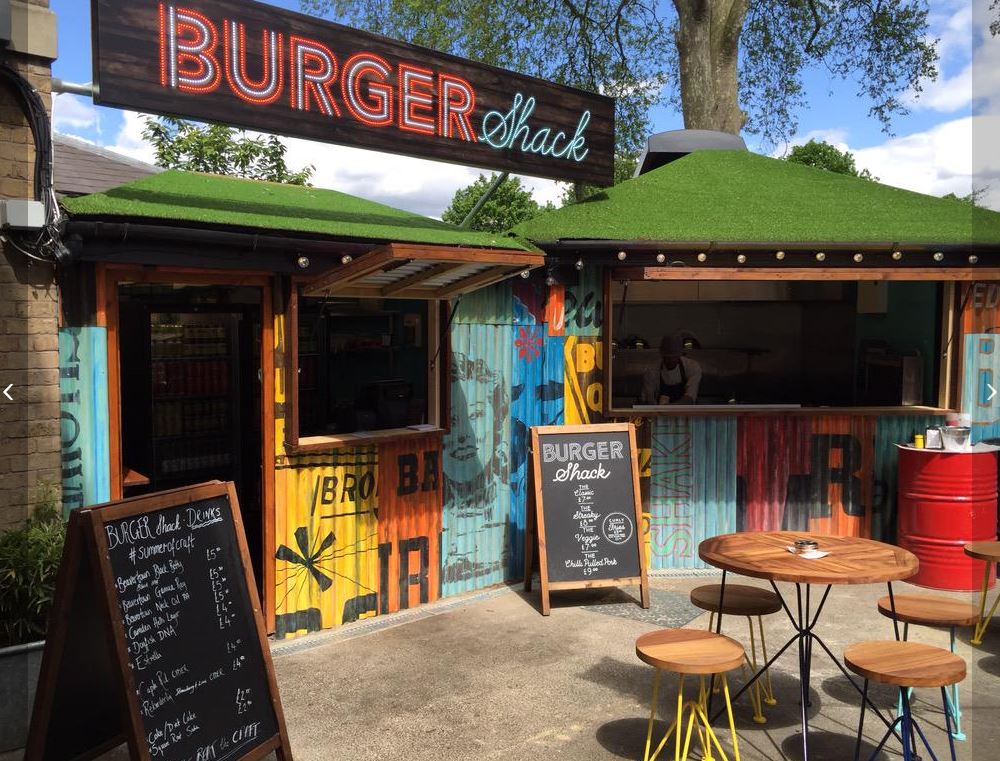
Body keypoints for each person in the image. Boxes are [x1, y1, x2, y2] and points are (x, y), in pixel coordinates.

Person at [639, 334, 702, 404]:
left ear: (680, 355)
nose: (671, 360)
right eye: (667, 357)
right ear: (662, 355)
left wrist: (669, 407)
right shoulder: (652, 371)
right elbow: (649, 399)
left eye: (674, 357)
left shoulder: (692, 367)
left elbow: (690, 397)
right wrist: (658, 408)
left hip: (686, 410)